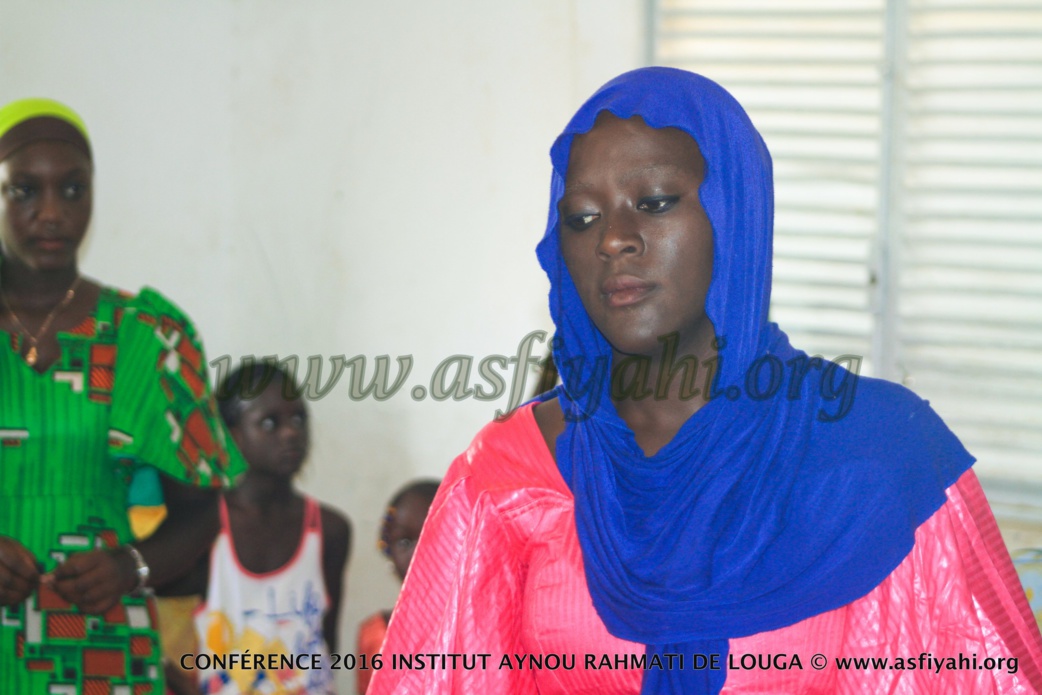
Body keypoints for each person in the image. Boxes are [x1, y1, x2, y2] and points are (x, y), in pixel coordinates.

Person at [368, 68, 1042, 694]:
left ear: (736, 216)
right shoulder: (507, 477)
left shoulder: (883, 454)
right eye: (582, 218)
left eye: (655, 201)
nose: (614, 240)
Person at [0, 98, 244, 694]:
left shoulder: (147, 337)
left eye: (74, 190)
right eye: (25, 191)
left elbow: (202, 511)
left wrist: (129, 567)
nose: (52, 214)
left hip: (97, 646)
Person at [189, 361, 351, 695]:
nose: (291, 432)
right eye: (269, 423)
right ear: (231, 435)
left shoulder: (329, 531)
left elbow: (326, 641)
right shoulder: (203, 528)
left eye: (298, 419)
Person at [356, 479, 439, 694]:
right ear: (388, 551)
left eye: (434, 537)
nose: (419, 553)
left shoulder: (482, 631)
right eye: (404, 542)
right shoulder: (374, 636)